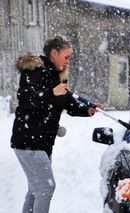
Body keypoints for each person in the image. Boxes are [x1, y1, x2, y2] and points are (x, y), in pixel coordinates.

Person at [11, 35, 101, 213]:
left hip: (42, 144)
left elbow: (68, 102)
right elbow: (26, 98)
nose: (68, 62)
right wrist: (52, 92)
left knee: (36, 190)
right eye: (66, 57)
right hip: (29, 141)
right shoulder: (34, 71)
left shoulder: (57, 77)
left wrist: (87, 110)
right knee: (45, 188)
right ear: (54, 53)